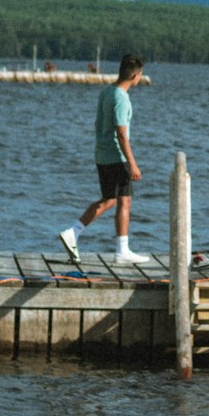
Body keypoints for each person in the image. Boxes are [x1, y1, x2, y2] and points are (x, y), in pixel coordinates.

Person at [58, 53, 150, 264]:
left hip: (102, 153)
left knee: (110, 199)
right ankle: (121, 251)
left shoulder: (107, 91)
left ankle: (74, 232)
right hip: (117, 156)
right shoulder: (121, 98)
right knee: (124, 201)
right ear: (135, 75)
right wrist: (133, 164)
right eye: (140, 75)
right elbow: (121, 134)